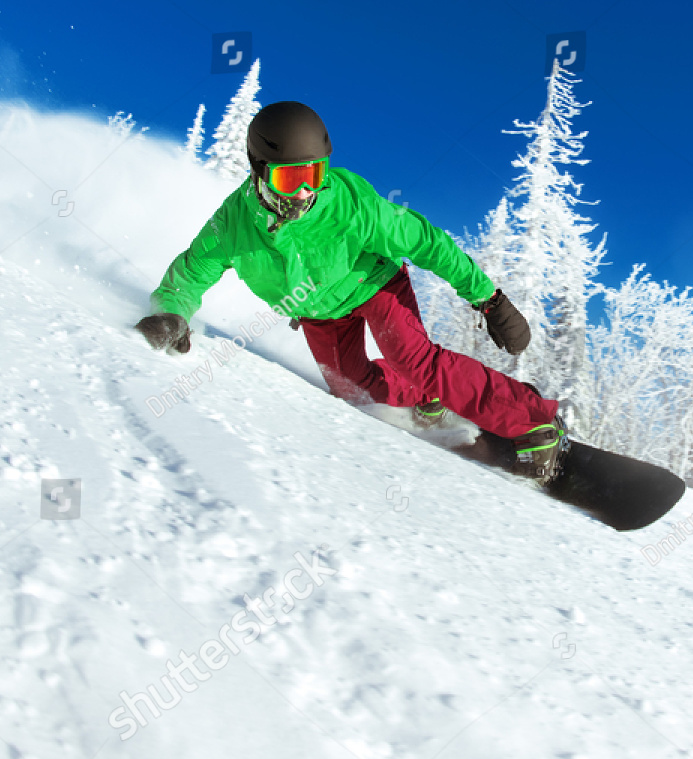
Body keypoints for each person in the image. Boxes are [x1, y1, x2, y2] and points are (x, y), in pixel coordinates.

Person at [135, 100, 570, 481]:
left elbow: (427, 242)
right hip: (318, 312)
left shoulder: (350, 205)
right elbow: (192, 271)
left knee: (412, 358)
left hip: (374, 285)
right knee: (350, 388)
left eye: (315, 174)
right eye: (292, 180)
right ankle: (426, 398)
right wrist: (172, 312)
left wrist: (489, 300)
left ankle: (533, 421)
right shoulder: (232, 224)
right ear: (259, 172)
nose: (306, 191)